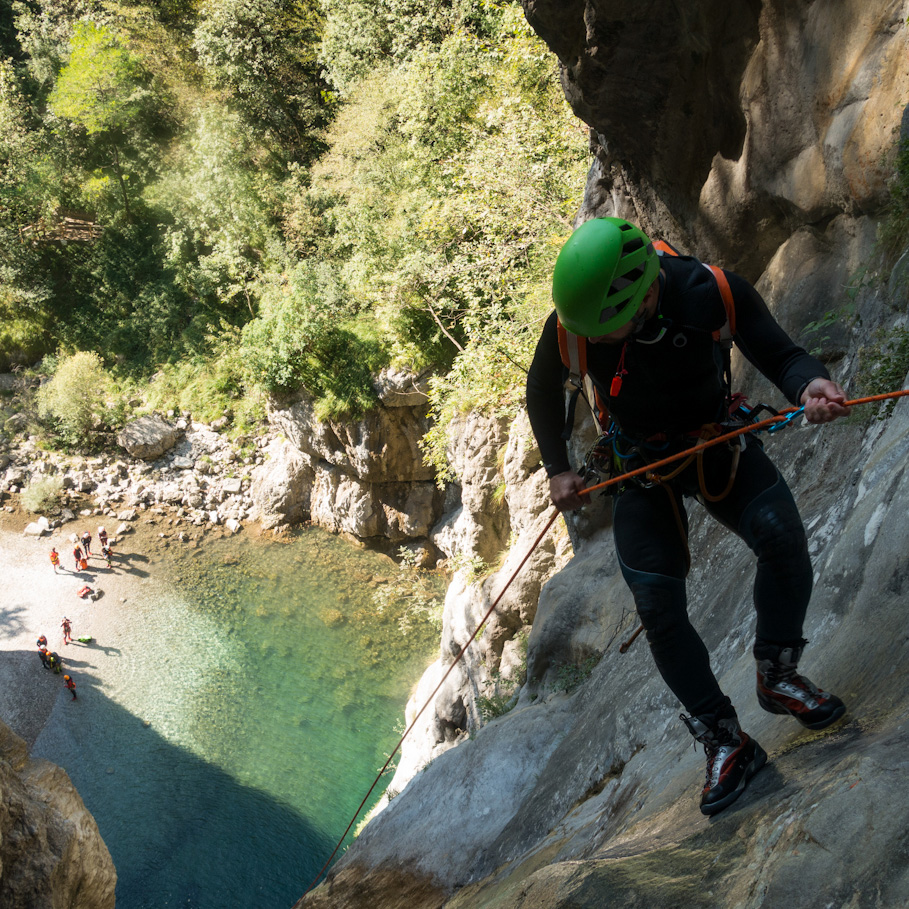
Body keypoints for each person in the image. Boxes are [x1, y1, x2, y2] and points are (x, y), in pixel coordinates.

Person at [526, 217, 849, 817]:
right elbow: (541, 388)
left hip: (714, 439)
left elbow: (778, 351)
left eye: (609, 328)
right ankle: (726, 740)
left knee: (780, 537)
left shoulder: (709, 292)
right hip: (640, 464)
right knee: (657, 607)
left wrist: (811, 385)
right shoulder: (577, 324)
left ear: (646, 291)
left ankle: (777, 673)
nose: (599, 340)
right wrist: (556, 468)